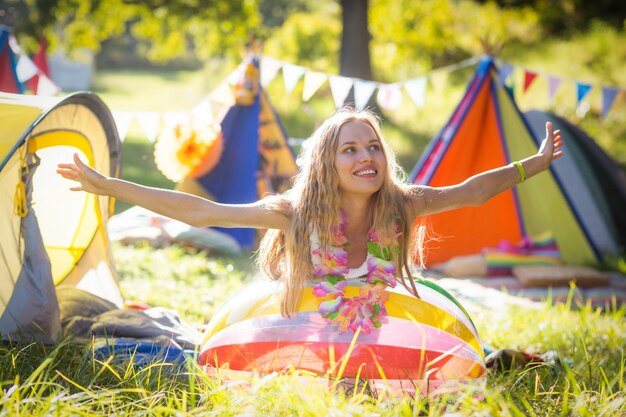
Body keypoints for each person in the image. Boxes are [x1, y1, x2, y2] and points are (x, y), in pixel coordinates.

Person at [57, 107, 562, 332]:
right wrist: (109, 186)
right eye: (350, 150)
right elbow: (201, 210)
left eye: (373, 147)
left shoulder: (403, 204)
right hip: (305, 326)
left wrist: (532, 164)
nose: (366, 157)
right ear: (326, 164)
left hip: (377, 324)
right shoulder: (296, 214)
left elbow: (471, 193)